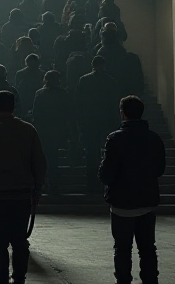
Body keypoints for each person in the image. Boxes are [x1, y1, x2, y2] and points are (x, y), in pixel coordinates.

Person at [0, 91, 46, 284]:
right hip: (21, 193)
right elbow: (39, 162)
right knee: (20, 240)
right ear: (15, 105)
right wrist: (37, 189)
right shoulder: (28, 129)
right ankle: (19, 278)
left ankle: (2, 278)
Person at [98, 95, 166, 284]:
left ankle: (124, 281)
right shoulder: (154, 138)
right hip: (147, 202)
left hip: (121, 204)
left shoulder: (115, 139)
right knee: (148, 248)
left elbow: (106, 174)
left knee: (122, 249)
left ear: (123, 114)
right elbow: (160, 169)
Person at [75, 56, 121, 192]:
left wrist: (80, 122)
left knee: (90, 152)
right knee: (108, 152)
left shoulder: (84, 80)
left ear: (92, 65)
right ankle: (107, 182)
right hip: (106, 121)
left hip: (89, 122)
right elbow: (114, 104)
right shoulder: (111, 81)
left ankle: (91, 184)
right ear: (104, 65)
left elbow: (78, 103)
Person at [31, 70, 73, 195]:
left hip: (43, 130)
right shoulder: (64, 94)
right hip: (58, 130)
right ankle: (54, 184)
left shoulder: (40, 94)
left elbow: (36, 114)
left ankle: (45, 183)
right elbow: (69, 115)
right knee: (53, 158)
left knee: (45, 158)